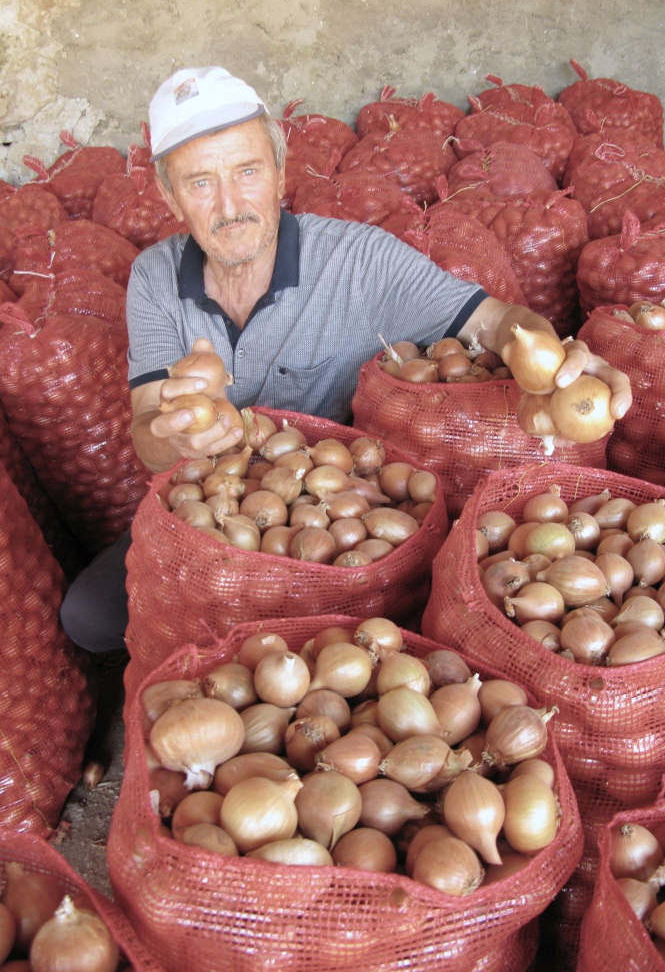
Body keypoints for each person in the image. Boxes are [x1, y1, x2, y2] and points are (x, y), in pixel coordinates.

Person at [60, 66, 631, 654]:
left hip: (337, 520)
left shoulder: (359, 261)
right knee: (89, 617)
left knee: (328, 650)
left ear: (281, 168)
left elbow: (498, 322)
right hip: (211, 510)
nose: (229, 205)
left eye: (248, 171)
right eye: (200, 183)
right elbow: (145, 428)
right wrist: (178, 437)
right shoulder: (154, 277)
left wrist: (555, 359)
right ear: (167, 193)